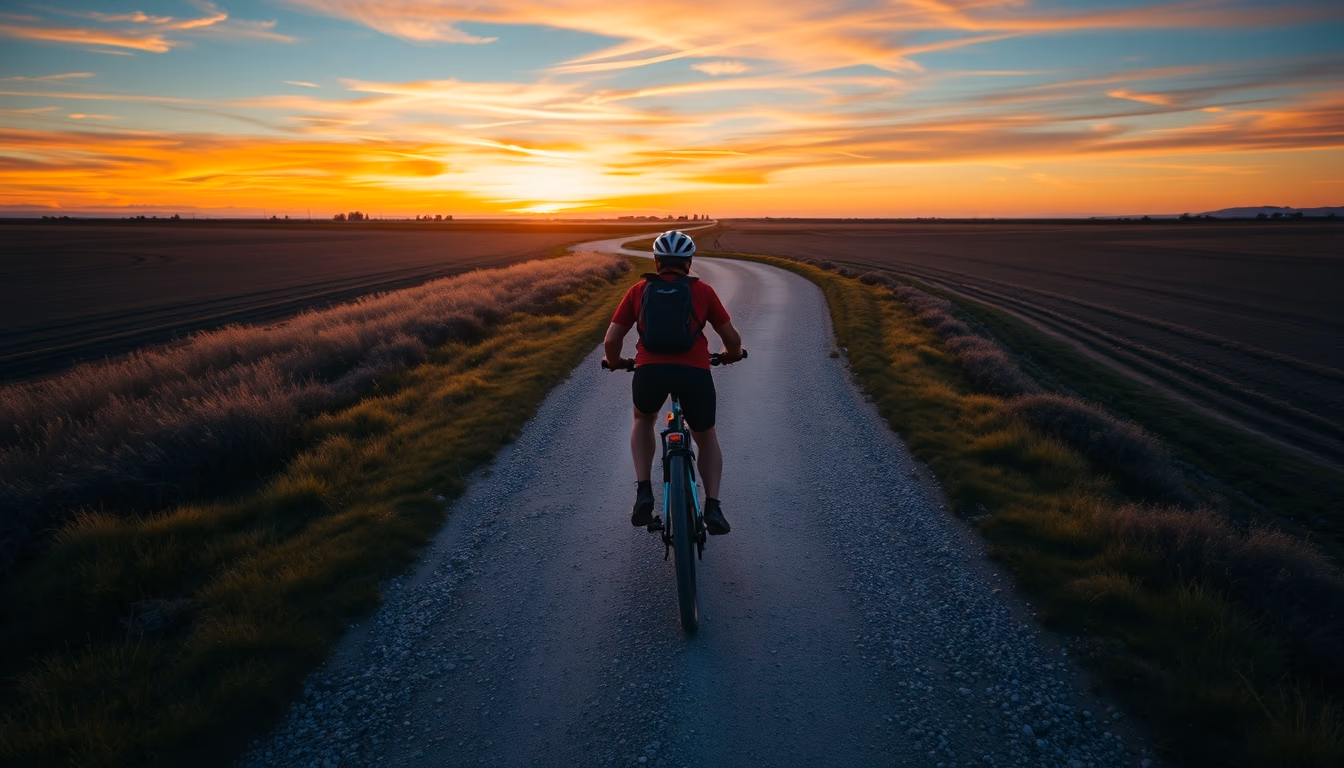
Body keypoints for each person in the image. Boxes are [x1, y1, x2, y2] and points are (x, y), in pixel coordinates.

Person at [604, 230, 744, 535]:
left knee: (643, 419)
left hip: (649, 372)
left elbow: (612, 339)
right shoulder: (703, 291)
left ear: (656, 262)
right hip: (694, 373)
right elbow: (731, 338)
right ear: (688, 262)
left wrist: (616, 363)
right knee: (705, 435)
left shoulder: (638, 291)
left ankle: (643, 491)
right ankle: (713, 507)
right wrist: (732, 355)